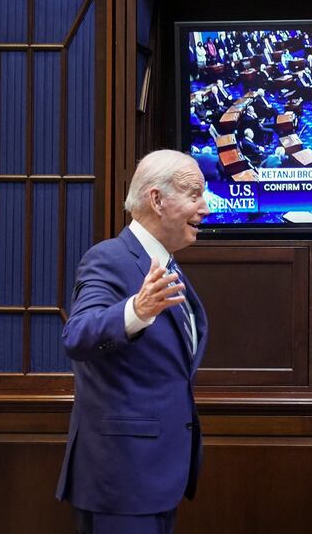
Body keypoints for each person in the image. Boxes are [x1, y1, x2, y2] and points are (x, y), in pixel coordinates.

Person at [56, 150, 210, 533]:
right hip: (121, 477)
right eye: (194, 195)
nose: (205, 208)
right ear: (157, 200)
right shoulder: (110, 258)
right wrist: (135, 311)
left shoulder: (165, 265)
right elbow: (76, 336)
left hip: (158, 476)